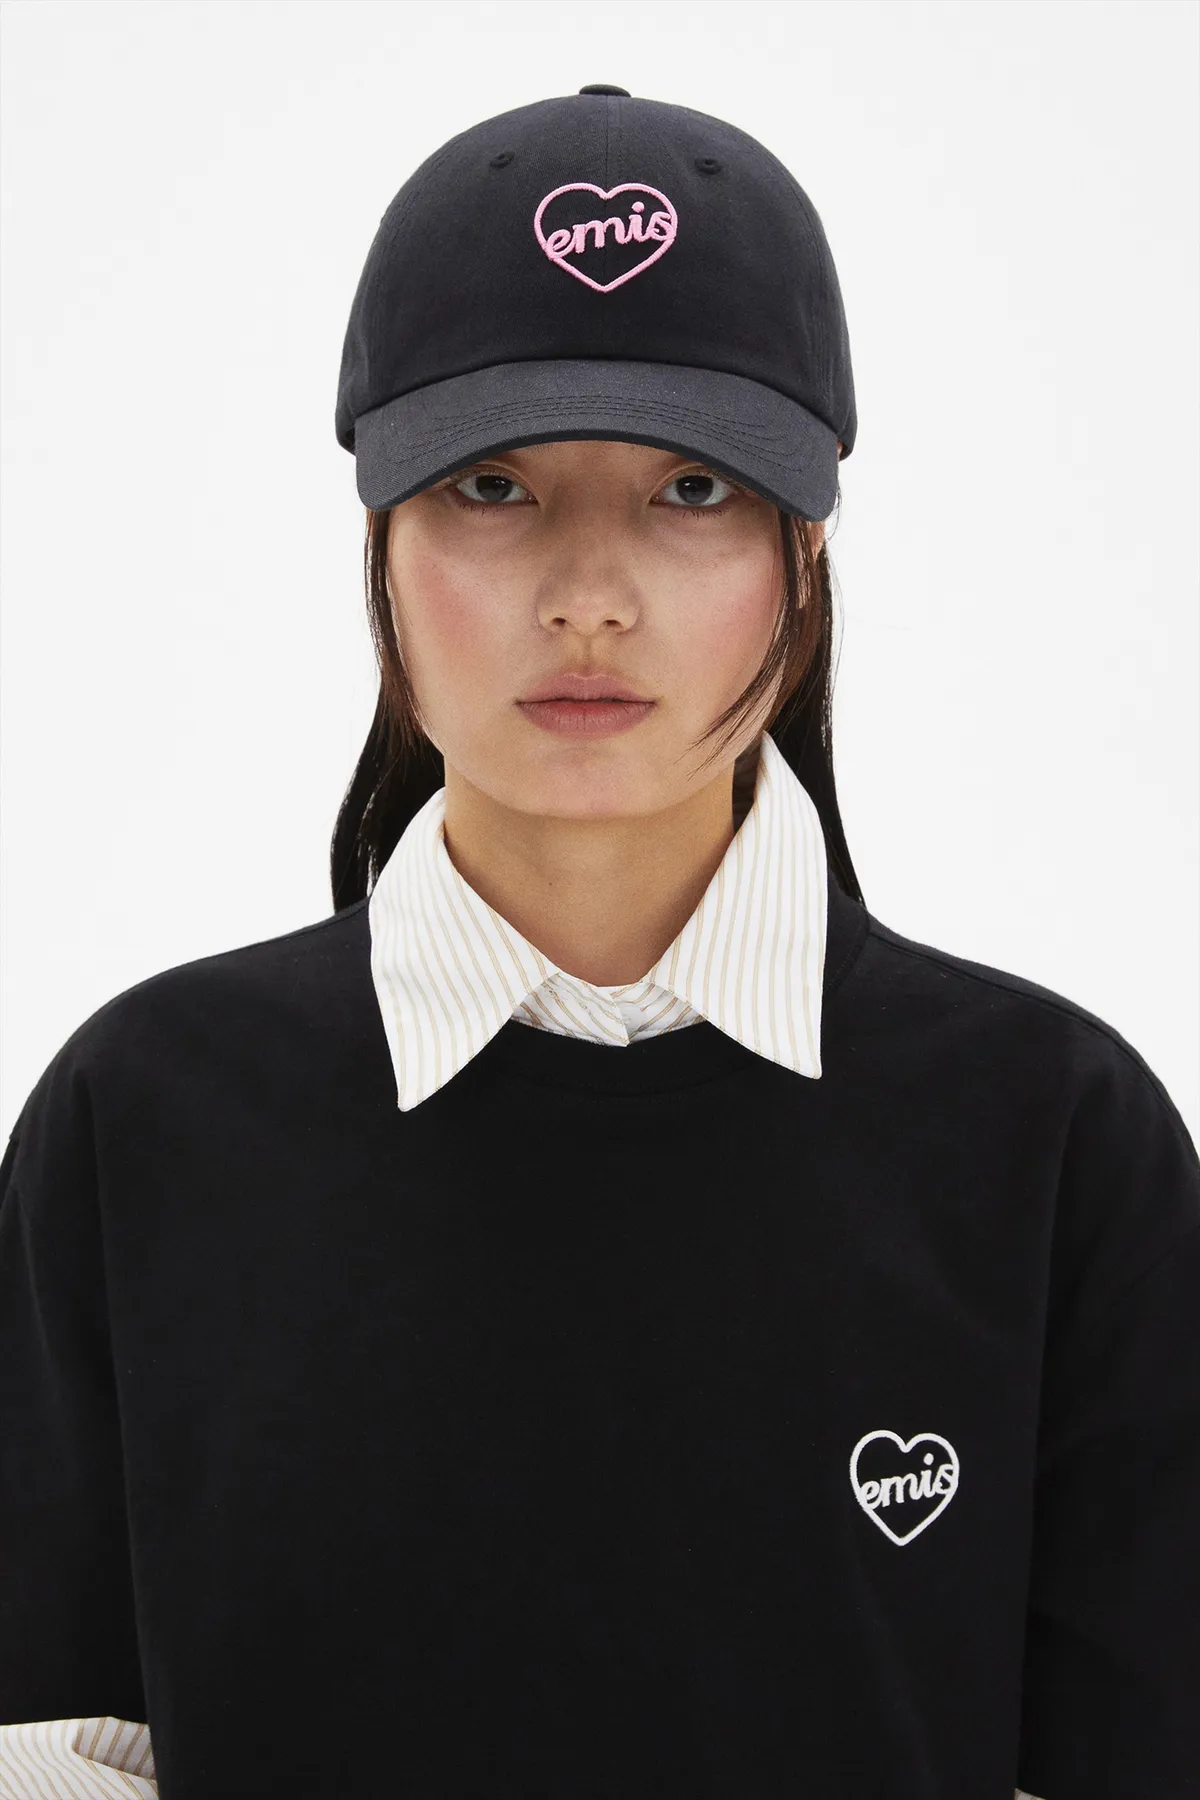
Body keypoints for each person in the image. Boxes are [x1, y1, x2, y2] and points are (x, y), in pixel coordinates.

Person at [1, 85, 1197, 1800]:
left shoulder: (1054, 1139)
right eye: (492, 485)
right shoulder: (146, 1122)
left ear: (804, 553)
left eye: (691, 488)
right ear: (381, 543)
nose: (588, 595)